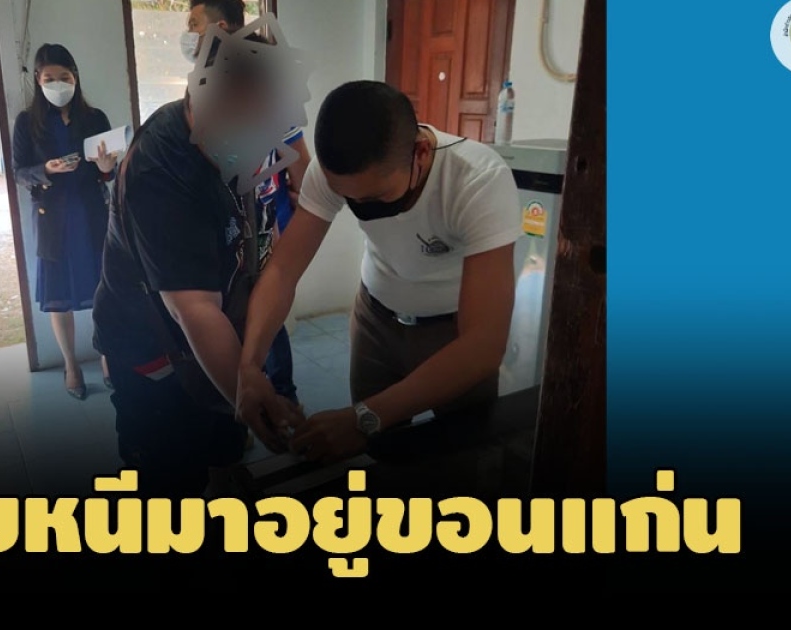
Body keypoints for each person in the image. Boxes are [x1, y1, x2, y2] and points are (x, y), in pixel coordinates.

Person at [235, 80, 524, 499]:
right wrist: (249, 366)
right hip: (376, 323)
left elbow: (483, 343)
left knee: (461, 463)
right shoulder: (331, 174)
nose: (364, 209)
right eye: (350, 200)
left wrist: (363, 418)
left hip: (454, 336)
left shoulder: (477, 180)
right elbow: (282, 270)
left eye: (377, 197)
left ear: (420, 153)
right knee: (379, 463)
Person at [92, 29, 300, 499]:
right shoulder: (157, 170)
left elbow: (265, 244)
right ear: (196, 101)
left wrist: (250, 367)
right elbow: (194, 309)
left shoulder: (250, 135)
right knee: (168, 476)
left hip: (217, 327)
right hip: (151, 347)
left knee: (224, 447)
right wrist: (247, 388)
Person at [180, 0, 310, 417]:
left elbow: (300, 164)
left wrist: (298, 216)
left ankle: (284, 396)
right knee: (229, 316)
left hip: (267, 227)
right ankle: (241, 397)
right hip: (226, 231)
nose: (187, 33)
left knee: (265, 316)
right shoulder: (200, 93)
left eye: (194, 23)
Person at [11, 44, 118, 400]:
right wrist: (46, 169)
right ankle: (71, 366)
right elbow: (19, 172)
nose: (58, 84)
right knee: (58, 296)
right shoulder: (27, 122)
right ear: (38, 80)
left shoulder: (95, 118)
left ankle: (107, 358)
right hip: (53, 218)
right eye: (49, 78)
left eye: (64, 77)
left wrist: (107, 169)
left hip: (92, 214)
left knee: (104, 290)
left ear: (75, 77)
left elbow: (108, 170)